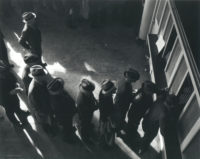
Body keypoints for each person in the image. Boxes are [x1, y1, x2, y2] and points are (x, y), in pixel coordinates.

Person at [125, 81, 157, 148]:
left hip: (135, 114)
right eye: (151, 92)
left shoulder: (143, 93)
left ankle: (129, 134)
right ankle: (130, 136)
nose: (152, 93)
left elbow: (134, 100)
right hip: (135, 115)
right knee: (132, 125)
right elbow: (134, 100)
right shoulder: (147, 97)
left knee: (131, 125)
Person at [18, 12, 44, 94]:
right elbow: (21, 41)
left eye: (32, 19)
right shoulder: (26, 30)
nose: (32, 21)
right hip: (34, 48)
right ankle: (37, 73)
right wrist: (28, 48)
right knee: (34, 60)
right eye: (30, 20)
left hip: (37, 46)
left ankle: (40, 66)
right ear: (27, 21)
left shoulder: (34, 24)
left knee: (39, 57)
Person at [47, 77, 78, 143]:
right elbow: (64, 111)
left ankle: (69, 130)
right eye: (61, 87)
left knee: (68, 126)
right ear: (58, 90)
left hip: (66, 117)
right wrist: (73, 111)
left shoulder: (55, 95)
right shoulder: (57, 101)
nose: (62, 88)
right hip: (64, 118)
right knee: (66, 128)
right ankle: (67, 138)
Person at [0, 60, 29, 128]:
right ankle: (15, 123)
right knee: (10, 111)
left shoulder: (5, 71)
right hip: (4, 98)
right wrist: (10, 92)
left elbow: (12, 78)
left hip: (13, 94)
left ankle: (20, 112)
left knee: (16, 104)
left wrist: (16, 85)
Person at [28, 65, 54, 136]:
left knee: (48, 118)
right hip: (41, 109)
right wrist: (41, 112)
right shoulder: (33, 90)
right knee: (44, 121)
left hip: (46, 105)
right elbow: (34, 104)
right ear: (37, 77)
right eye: (43, 75)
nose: (45, 76)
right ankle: (48, 130)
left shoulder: (41, 81)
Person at [114, 68, 140, 132]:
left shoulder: (123, 80)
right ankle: (118, 129)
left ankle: (119, 123)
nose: (135, 81)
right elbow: (129, 99)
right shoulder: (125, 88)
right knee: (120, 118)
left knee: (119, 117)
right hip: (121, 107)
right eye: (135, 79)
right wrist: (136, 97)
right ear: (131, 78)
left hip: (118, 102)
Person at [76, 79, 98, 144]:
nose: (91, 92)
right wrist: (98, 106)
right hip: (84, 115)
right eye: (90, 91)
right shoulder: (81, 100)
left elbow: (92, 96)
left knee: (88, 121)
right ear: (86, 91)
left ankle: (88, 125)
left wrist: (95, 101)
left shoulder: (88, 92)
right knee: (84, 125)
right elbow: (89, 109)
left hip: (88, 114)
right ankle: (85, 138)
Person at [98, 79, 116, 149]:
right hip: (106, 119)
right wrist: (110, 120)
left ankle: (104, 142)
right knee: (107, 132)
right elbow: (107, 111)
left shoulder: (102, 93)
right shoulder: (106, 100)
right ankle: (106, 145)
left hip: (104, 117)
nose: (114, 91)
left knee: (103, 130)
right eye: (112, 90)